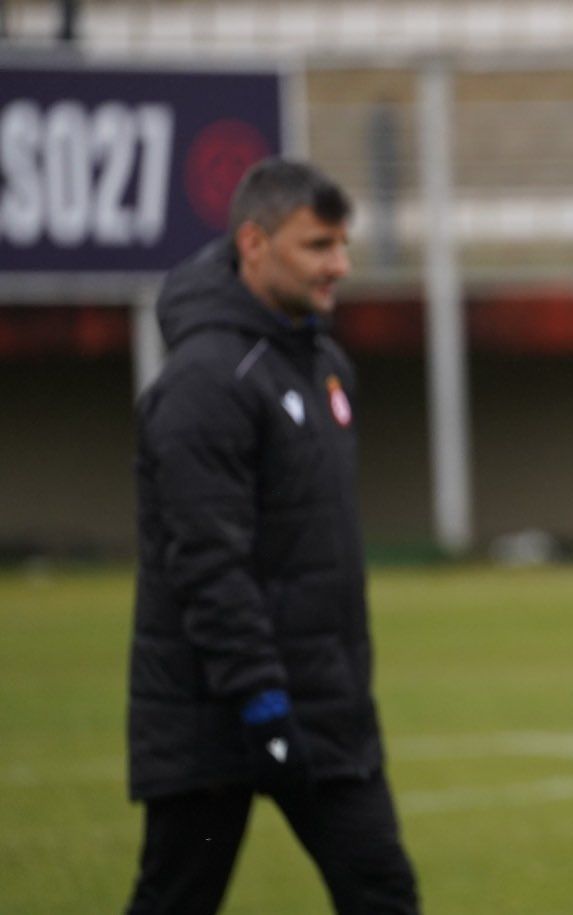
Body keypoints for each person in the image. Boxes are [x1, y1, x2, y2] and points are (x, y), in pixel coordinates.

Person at [125, 159, 419, 914]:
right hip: (217, 708)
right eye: (318, 245)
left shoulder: (323, 362)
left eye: (342, 244)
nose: (341, 266)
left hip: (325, 703)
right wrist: (259, 701)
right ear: (254, 244)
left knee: (382, 890)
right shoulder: (204, 381)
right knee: (176, 899)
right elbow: (207, 563)